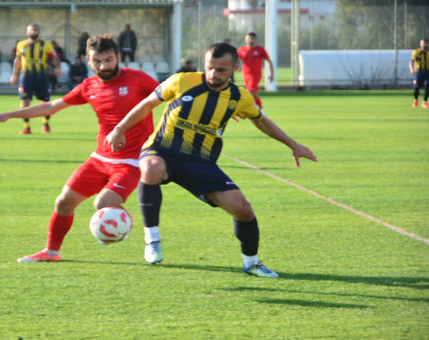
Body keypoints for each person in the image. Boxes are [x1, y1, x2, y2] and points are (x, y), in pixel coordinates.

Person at [104, 42, 317, 278]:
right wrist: (119, 129)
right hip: (163, 150)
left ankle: (252, 263)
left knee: (243, 210)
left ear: (235, 68)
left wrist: (293, 145)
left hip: (201, 163)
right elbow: (147, 104)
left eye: (221, 70)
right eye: (210, 67)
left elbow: (261, 120)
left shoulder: (238, 97)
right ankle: (152, 239)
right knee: (151, 168)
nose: (214, 74)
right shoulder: (182, 81)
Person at [0, 34, 159, 263]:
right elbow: (52, 106)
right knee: (63, 202)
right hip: (99, 158)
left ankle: (123, 225)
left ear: (118, 57)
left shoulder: (138, 79)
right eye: (98, 61)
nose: (104, 66)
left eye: (109, 60)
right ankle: (51, 252)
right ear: (88, 60)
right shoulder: (89, 86)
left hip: (131, 161)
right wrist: (10, 114)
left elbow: (169, 96)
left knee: (103, 204)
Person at [10, 24, 61, 135]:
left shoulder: (46, 45)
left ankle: (46, 124)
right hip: (26, 77)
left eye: (35, 30)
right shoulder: (21, 44)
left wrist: (57, 67)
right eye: (31, 30)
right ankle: (27, 127)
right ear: (27, 32)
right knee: (24, 101)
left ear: (39, 31)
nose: (33, 32)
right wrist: (14, 74)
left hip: (42, 77)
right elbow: (17, 60)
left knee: (46, 101)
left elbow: (55, 57)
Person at [237, 32, 274, 109]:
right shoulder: (241, 50)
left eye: (252, 38)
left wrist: (272, 74)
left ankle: (243, 108)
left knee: (250, 91)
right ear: (245, 39)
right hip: (246, 75)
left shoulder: (260, 50)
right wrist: (237, 66)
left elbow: (269, 61)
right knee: (254, 93)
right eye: (249, 38)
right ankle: (260, 109)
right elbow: (237, 60)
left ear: (255, 39)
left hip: (255, 75)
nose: (250, 40)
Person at [409, 38, 429, 108]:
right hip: (419, 73)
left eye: (426, 43)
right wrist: (411, 69)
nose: (424, 44)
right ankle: (416, 99)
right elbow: (411, 61)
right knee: (416, 88)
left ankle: (424, 102)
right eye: (423, 43)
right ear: (420, 44)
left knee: (428, 86)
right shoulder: (417, 52)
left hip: (427, 73)